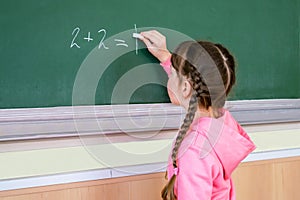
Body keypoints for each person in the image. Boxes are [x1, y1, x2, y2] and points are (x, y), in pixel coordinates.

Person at [139, 30, 256, 200]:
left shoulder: (194, 151)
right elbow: (197, 82)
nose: (169, 75)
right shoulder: (221, 125)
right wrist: (166, 57)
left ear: (186, 87)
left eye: (172, 73)